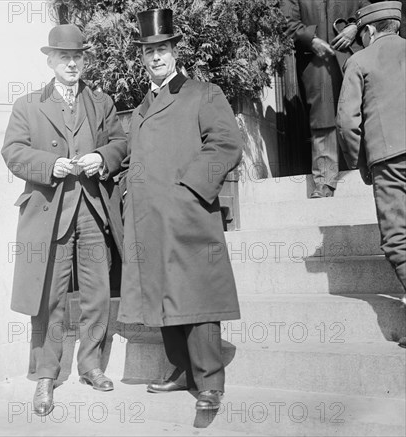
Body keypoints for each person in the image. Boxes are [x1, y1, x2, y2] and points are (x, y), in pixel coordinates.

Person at [117, 8, 243, 411]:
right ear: (142, 58)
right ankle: (181, 368)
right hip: (150, 218)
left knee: (197, 293)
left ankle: (209, 380)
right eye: (149, 51)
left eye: (163, 49)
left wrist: (190, 189)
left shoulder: (204, 94)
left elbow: (226, 144)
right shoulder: (140, 108)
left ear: (175, 52)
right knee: (163, 293)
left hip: (188, 210)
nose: (156, 57)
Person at [2, 24, 127, 415]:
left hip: (92, 209)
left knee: (97, 292)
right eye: (63, 57)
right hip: (50, 212)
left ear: (83, 60)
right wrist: (50, 164)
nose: (71, 63)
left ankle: (91, 365)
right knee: (49, 296)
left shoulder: (100, 102)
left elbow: (121, 143)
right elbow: (13, 152)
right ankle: (46, 375)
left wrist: (103, 158)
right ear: (50, 61)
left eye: (77, 57)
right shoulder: (28, 105)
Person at [335, 1, 406, 348]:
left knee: (397, 239)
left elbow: (347, 122)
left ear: (370, 31)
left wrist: (359, 164)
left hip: (389, 159)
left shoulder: (358, 61)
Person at [283, 0, 371, 198]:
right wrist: (310, 40)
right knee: (323, 120)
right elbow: (286, 20)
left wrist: (354, 27)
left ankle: (369, 169)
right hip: (317, 60)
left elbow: (369, 10)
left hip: (353, 55)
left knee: (363, 112)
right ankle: (324, 181)